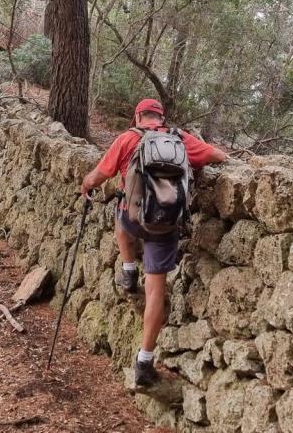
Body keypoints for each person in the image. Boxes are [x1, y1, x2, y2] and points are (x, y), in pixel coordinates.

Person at [80, 98, 226, 386]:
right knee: (156, 291)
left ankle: (128, 268)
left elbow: (100, 175)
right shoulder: (179, 139)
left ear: (138, 116)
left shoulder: (127, 139)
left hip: (132, 219)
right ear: (161, 117)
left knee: (120, 209)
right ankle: (145, 361)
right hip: (165, 225)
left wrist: (85, 184)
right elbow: (218, 157)